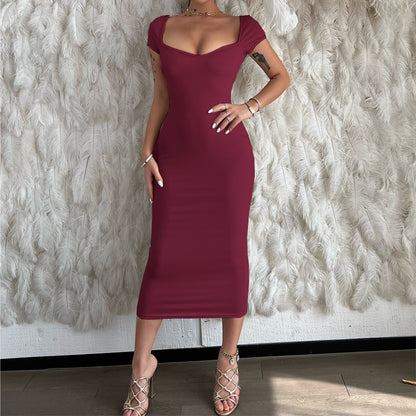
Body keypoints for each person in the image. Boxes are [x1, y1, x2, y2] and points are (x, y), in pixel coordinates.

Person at [122, 1, 290, 415]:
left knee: (230, 258)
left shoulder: (243, 27)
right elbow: (161, 96)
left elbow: (281, 76)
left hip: (227, 164)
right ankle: (141, 366)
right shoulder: (160, 29)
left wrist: (247, 107)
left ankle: (228, 359)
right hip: (174, 161)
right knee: (162, 260)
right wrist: (146, 154)